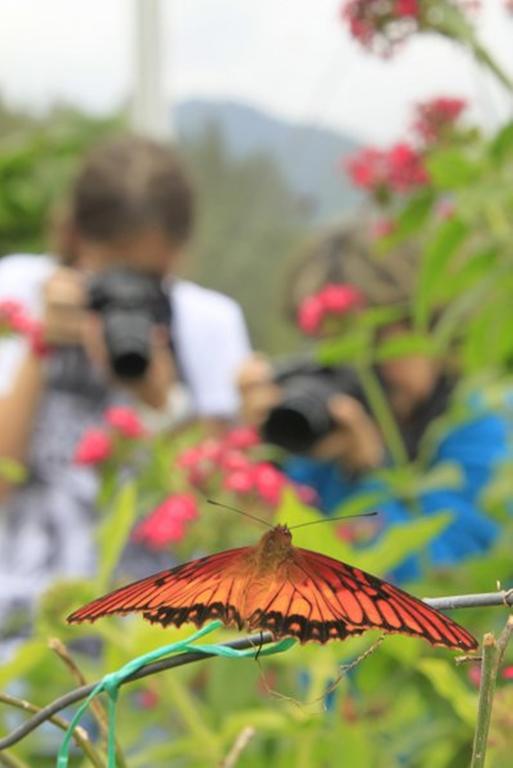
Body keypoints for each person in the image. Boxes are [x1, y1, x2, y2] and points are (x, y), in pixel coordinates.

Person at [0, 135, 251, 640]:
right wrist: (38, 348)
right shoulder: (18, 291)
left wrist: (161, 400)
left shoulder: (208, 323)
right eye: (111, 276)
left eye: (147, 279)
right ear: (75, 236)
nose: (128, 296)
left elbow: (220, 509)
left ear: (177, 253)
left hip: (155, 640)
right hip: (23, 631)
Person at [238, 222, 508, 582]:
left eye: (376, 338)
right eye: (332, 347)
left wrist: (365, 476)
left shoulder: (486, 424)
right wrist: (258, 456)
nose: (358, 369)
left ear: (428, 321)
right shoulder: (323, 439)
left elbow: (446, 587)